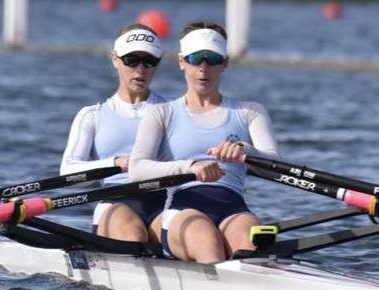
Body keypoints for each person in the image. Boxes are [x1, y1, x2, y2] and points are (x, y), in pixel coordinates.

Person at [128, 21, 280, 263]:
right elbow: (136, 169)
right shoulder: (161, 113)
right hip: (182, 209)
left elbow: (275, 163)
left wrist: (246, 150)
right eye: (196, 58)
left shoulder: (251, 111)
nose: (203, 68)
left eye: (212, 59)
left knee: (252, 248)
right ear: (181, 62)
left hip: (233, 209)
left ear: (225, 63)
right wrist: (190, 168)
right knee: (208, 244)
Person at [60, 23, 169, 242]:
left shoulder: (173, 112)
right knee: (134, 235)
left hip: (165, 200)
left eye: (149, 61)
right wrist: (117, 163)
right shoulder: (92, 115)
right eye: (132, 60)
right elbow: (69, 173)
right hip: (115, 200)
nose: (140, 69)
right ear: (115, 59)